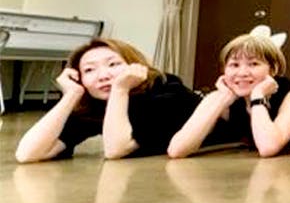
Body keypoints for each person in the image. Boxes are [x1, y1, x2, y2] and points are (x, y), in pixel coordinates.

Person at [15, 38, 200, 162]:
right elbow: (27, 154)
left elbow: (116, 150)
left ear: (135, 66)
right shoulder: (96, 104)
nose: (103, 76)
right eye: (89, 70)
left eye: (113, 64)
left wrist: (120, 89)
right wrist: (71, 95)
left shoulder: (165, 89)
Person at [167, 26, 290, 158]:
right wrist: (222, 100)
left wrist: (258, 97)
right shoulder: (225, 96)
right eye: (234, 65)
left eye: (253, 64)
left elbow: (268, 147)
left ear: (273, 69)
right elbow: (176, 150)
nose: (242, 73)